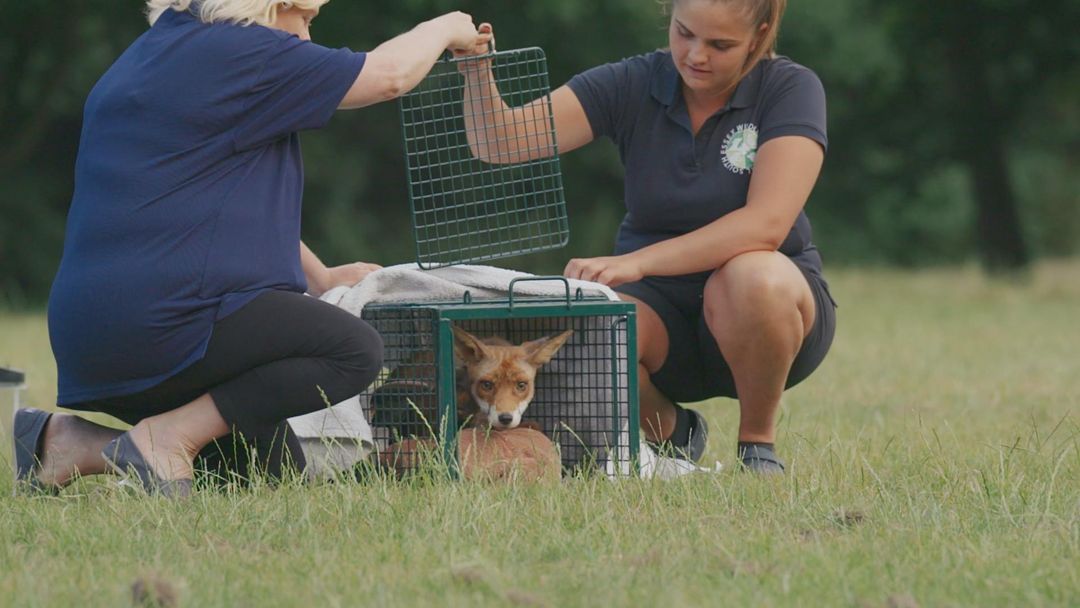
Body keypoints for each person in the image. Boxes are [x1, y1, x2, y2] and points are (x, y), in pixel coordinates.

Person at [12, 0, 490, 496]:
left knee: (265, 474)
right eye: (305, 20)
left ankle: (67, 442)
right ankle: (169, 436)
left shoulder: (148, 56)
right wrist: (444, 26)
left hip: (92, 335)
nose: (306, 40)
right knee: (353, 350)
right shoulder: (246, 53)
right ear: (271, 6)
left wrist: (321, 278)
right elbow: (388, 75)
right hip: (167, 324)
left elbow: (197, 201)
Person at [457, 0, 835, 473]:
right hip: (658, 308)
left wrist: (639, 262)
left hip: (770, 309)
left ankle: (757, 445)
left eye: (720, 45)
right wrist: (477, 73)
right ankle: (672, 432)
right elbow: (502, 142)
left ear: (758, 37)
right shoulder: (633, 81)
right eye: (684, 33)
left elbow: (766, 225)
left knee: (751, 276)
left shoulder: (791, 88)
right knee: (584, 333)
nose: (696, 54)